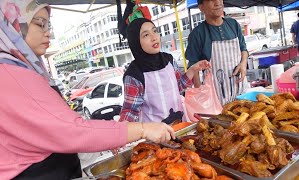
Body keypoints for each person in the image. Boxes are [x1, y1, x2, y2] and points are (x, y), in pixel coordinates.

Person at [0, 1, 175, 179]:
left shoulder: (22, 67)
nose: (48, 32)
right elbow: (71, 130)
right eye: (39, 23)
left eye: (48, 24)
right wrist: (142, 129)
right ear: (13, 24)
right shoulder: (9, 74)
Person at [119, 18, 210, 123]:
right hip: (156, 136)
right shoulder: (134, 75)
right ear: (135, 42)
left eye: (154, 31)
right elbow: (130, 111)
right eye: (146, 35)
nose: (154, 37)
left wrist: (194, 69)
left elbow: (179, 86)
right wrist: (122, 131)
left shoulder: (169, 60)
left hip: (180, 127)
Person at [185, 0, 249, 105]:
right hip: (216, 99)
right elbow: (193, 67)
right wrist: (200, 94)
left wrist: (243, 64)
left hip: (241, 92)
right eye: (211, 0)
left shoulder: (233, 24)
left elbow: (243, 49)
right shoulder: (197, 34)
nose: (217, 2)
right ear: (201, 7)